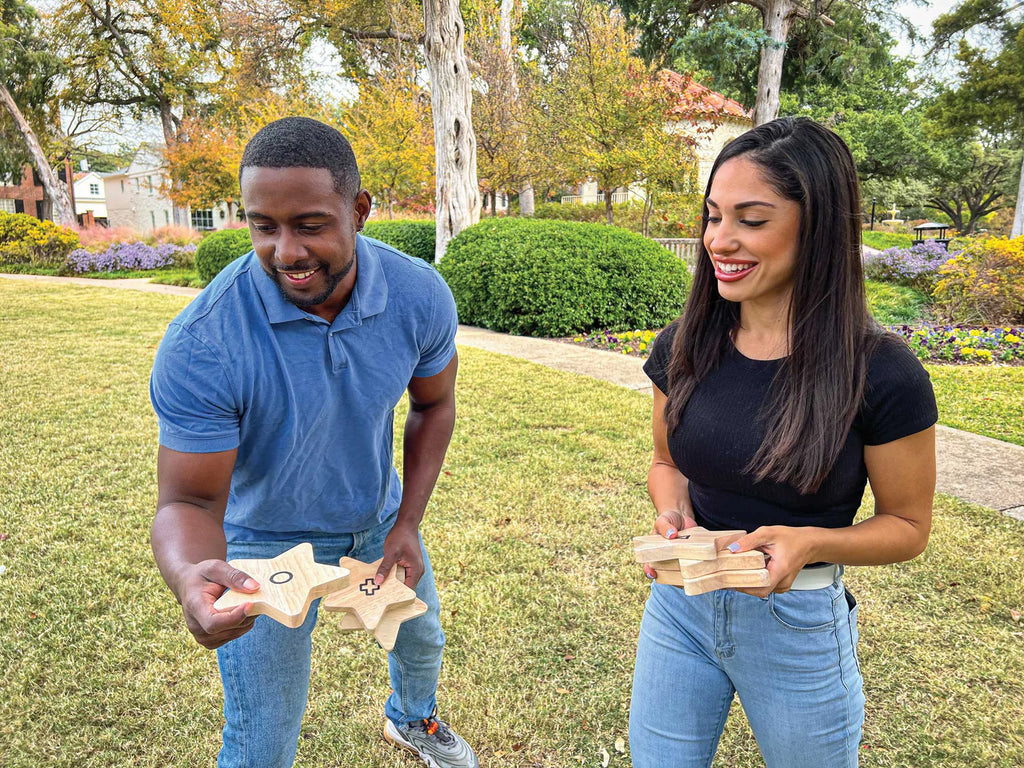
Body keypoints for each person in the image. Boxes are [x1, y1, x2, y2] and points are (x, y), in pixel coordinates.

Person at [149, 116, 478, 768]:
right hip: (265, 547)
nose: (286, 252)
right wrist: (189, 576)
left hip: (374, 527)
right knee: (263, 741)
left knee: (419, 642)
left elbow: (433, 405)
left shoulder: (417, 296)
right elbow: (186, 503)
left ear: (358, 211)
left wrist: (406, 522)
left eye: (309, 225)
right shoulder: (204, 342)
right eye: (262, 226)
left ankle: (411, 721)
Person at [629, 117, 937, 768]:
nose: (720, 239)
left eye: (752, 219)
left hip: (797, 626)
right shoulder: (683, 344)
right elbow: (665, 463)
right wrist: (674, 514)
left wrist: (810, 542)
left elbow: (908, 525)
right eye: (713, 216)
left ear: (818, 227)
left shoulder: (881, 373)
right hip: (680, 608)